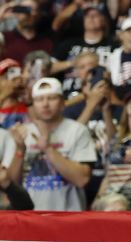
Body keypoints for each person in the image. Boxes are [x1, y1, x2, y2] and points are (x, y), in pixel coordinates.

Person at [11, 77, 97, 210]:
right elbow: (10, 186)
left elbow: (82, 179)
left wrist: (48, 149)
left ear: (63, 103)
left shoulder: (77, 131)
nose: (45, 104)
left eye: (51, 98)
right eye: (39, 99)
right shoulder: (22, 133)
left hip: (68, 216)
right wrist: (19, 150)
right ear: (33, 105)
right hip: (30, 216)